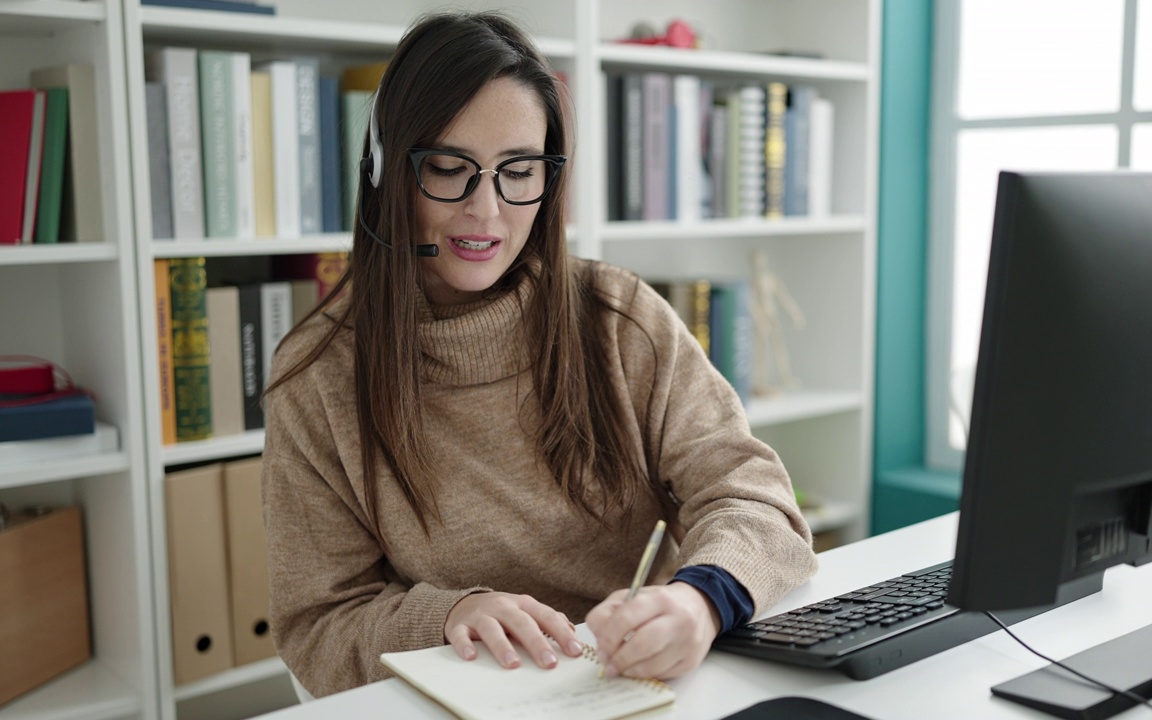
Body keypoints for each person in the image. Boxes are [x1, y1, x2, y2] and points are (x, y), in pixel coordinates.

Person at [261, 10, 818, 699]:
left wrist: (698, 601)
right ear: (384, 169)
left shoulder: (618, 320)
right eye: (447, 167)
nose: (487, 210)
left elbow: (756, 497)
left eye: (518, 170)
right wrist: (449, 616)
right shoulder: (316, 379)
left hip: (638, 685)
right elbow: (318, 625)